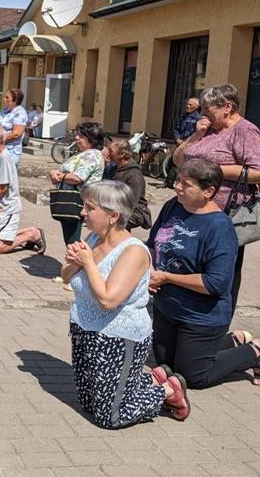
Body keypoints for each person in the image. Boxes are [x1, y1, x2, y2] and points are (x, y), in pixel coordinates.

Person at [62, 180, 190, 427]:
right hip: (84, 329)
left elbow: (108, 300)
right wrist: (76, 262)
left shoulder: (133, 252)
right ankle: (147, 378)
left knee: (110, 417)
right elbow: (65, 276)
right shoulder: (92, 238)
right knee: (88, 403)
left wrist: (88, 263)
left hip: (118, 336)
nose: (82, 213)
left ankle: (167, 390)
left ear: (112, 216)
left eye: (89, 208)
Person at [149, 158, 260, 388]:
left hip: (200, 315)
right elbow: (152, 243)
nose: (177, 187)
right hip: (166, 308)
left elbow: (216, 283)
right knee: (166, 366)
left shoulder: (220, 227)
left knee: (193, 377)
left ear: (208, 191)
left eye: (185, 184)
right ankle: (233, 340)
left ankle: (254, 351)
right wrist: (149, 271)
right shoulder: (173, 205)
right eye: (178, 180)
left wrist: (167, 277)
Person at [172, 84, 260, 319]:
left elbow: (257, 171)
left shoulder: (245, 131)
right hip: (191, 210)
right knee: (191, 260)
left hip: (224, 214)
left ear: (227, 107)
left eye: (207, 109)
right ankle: (186, 308)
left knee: (220, 269)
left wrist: (212, 171)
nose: (203, 114)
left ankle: (217, 321)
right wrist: (196, 135)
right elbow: (178, 160)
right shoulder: (207, 129)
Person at [0, 125, 45, 254]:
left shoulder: (5, 158)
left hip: (7, 208)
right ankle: (11, 233)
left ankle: (32, 234)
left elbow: (3, 188)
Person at [49, 122, 106, 246]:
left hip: (76, 201)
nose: (76, 138)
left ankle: (77, 262)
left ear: (91, 139)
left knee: (72, 238)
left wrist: (59, 176)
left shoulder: (92, 155)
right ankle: (76, 261)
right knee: (69, 236)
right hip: (71, 199)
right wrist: (56, 173)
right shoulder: (84, 153)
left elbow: (77, 177)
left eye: (81, 136)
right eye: (77, 135)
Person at [104, 139, 151, 231]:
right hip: (116, 208)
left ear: (122, 155)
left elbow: (131, 202)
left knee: (107, 222)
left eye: (111, 151)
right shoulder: (113, 168)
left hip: (135, 211)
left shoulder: (134, 175)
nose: (107, 153)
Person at [0, 89, 28, 165]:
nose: (4, 99)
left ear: (15, 100)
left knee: (7, 175)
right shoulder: (4, 111)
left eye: (7, 97)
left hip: (10, 152)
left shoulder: (20, 113)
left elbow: (16, 134)